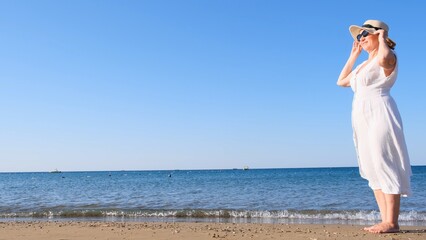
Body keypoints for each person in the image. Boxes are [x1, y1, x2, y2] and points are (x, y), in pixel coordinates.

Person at [336, 20, 412, 234]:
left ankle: (392, 222)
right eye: (359, 36)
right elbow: (341, 81)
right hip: (361, 117)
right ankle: (384, 219)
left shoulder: (386, 56)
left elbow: (386, 59)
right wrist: (354, 56)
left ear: (379, 34)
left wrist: (381, 38)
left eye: (364, 35)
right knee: (371, 167)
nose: (360, 39)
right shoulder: (362, 66)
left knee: (384, 160)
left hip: (380, 111)